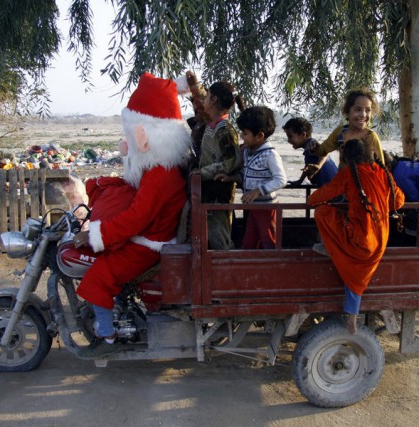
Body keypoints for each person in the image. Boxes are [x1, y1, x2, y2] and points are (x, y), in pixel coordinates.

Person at [72, 73, 191, 359]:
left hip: (151, 242)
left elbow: (137, 218)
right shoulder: (158, 166)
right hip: (151, 234)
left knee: (100, 275)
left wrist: (96, 234)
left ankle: (106, 336)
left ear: (144, 133)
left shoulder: (161, 173)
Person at [307, 139, 404, 334]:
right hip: (381, 238)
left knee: (323, 213)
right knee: (357, 275)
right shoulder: (382, 172)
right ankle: (351, 314)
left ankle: (330, 248)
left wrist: (312, 200)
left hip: (360, 238)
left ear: (347, 158)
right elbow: (399, 201)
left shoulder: (348, 174)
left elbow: (318, 198)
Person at [217, 106, 287, 249]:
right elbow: (247, 175)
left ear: (260, 136)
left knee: (269, 242)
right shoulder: (249, 152)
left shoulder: (270, 155)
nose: (242, 136)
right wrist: (231, 178)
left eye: (245, 133)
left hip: (266, 207)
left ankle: (274, 268)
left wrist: (257, 191)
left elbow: (281, 179)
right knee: (249, 242)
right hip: (253, 206)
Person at [196, 81, 245, 249]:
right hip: (210, 188)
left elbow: (232, 161)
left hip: (219, 189)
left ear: (214, 99)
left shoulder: (224, 130)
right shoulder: (213, 126)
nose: (204, 99)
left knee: (219, 234)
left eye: (207, 95)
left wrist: (203, 172)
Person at [307, 89, 385, 168]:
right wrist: (314, 147)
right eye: (358, 110)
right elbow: (323, 150)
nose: (363, 115)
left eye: (367, 110)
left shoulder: (371, 136)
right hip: (343, 179)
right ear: (347, 112)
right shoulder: (340, 132)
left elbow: (381, 168)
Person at [282, 117, 337, 186]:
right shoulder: (308, 148)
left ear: (303, 135)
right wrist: (300, 180)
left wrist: (319, 165)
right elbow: (308, 166)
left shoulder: (311, 143)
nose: (288, 140)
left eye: (290, 136)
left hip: (334, 188)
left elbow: (324, 153)